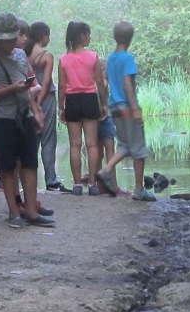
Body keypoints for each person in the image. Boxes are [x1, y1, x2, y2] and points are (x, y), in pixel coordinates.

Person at [0, 14, 55, 229]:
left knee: (30, 163)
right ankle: (14, 212)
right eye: (5, 39)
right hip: (4, 120)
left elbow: (31, 83)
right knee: (7, 165)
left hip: (25, 117)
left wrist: (36, 110)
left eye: (11, 38)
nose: (10, 43)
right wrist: (12, 89)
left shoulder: (22, 55)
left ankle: (31, 210)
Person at [101, 21, 155, 201]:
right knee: (139, 149)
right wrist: (135, 108)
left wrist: (105, 102)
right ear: (131, 38)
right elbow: (127, 84)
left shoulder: (110, 58)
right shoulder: (127, 58)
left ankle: (106, 169)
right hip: (126, 106)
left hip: (115, 106)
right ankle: (139, 189)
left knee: (125, 145)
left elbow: (105, 81)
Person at [58, 21, 105, 195]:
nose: (89, 38)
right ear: (81, 36)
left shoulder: (63, 60)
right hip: (90, 99)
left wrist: (61, 107)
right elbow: (99, 82)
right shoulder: (93, 57)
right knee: (92, 145)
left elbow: (62, 86)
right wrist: (104, 103)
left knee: (75, 145)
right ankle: (92, 184)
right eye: (88, 34)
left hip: (72, 101)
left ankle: (77, 184)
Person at [29, 22, 65, 191]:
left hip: (28, 99)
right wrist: (41, 102)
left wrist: (33, 103)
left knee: (32, 139)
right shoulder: (47, 55)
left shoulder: (25, 54)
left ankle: (29, 180)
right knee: (48, 138)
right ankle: (50, 179)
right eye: (48, 35)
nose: (49, 39)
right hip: (47, 98)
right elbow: (46, 81)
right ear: (43, 36)